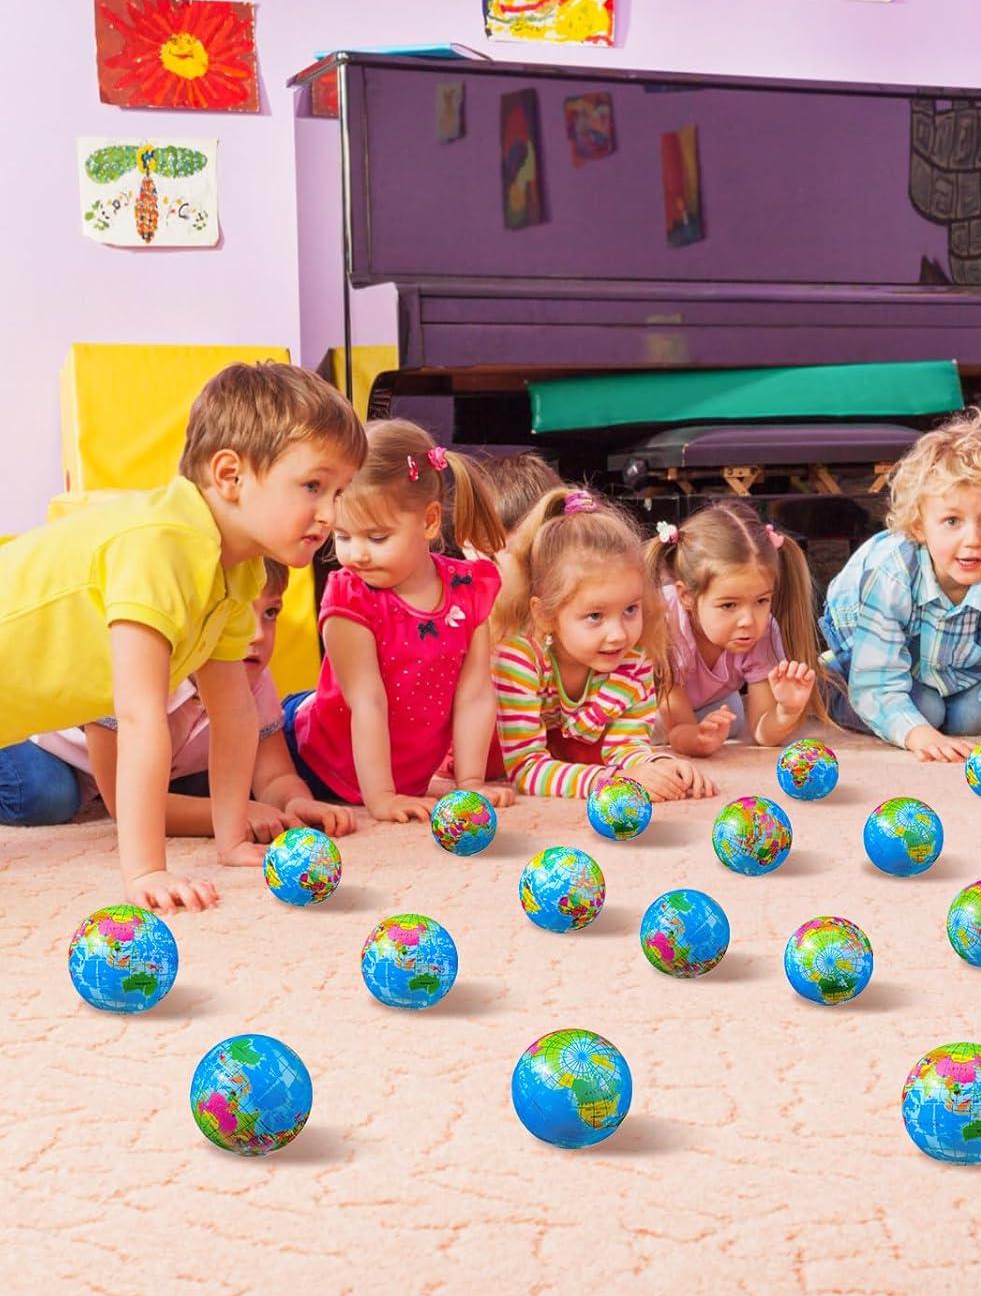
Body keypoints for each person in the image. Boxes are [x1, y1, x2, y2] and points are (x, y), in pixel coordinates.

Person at [0, 361, 365, 911]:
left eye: (338, 493)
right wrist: (147, 870)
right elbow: (141, 718)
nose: (329, 515)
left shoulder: (233, 574)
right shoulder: (163, 544)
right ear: (229, 476)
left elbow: (235, 713)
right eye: (313, 485)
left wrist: (232, 836)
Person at [9, 560, 353, 838]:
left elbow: (273, 776)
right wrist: (230, 815)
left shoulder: (254, 681)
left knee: (222, 781)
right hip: (40, 742)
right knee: (49, 795)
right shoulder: (141, 668)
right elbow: (127, 805)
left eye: (270, 613)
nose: (258, 635)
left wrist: (294, 802)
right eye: (236, 616)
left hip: (139, 766)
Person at [284, 421, 512, 821]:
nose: (356, 555)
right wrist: (383, 797)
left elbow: (474, 693)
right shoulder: (351, 596)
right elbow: (366, 701)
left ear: (428, 521)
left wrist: (471, 782)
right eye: (343, 535)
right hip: (319, 763)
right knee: (261, 758)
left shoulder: (467, 589)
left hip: (406, 770)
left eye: (376, 538)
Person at [819, 407, 981, 760]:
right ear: (919, 525)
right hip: (866, 655)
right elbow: (877, 684)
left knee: (974, 717)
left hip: (948, 665)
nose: (973, 538)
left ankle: (936, 706)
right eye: (952, 521)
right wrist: (919, 735)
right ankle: (830, 687)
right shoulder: (891, 572)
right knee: (925, 712)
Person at [491, 487, 714, 799]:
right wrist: (614, 780)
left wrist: (657, 764)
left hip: (570, 762)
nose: (618, 634)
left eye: (630, 610)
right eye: (595, 615)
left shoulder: (633, 661)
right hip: (493, 763)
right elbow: (525, 768)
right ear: (545, 615)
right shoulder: (519, 660)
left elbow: (626, 746)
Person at [645, 500, 823, 756]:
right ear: (686, 597)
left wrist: (787, 711)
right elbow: (678, 729)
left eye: (761, 601)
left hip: (710, 702)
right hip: (651, 704)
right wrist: (697, 739)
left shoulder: (762, 630)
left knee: (733, 717)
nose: (748, 621)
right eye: (729, 605)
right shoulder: (665, 622)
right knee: (652, 728)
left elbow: (762, 732)